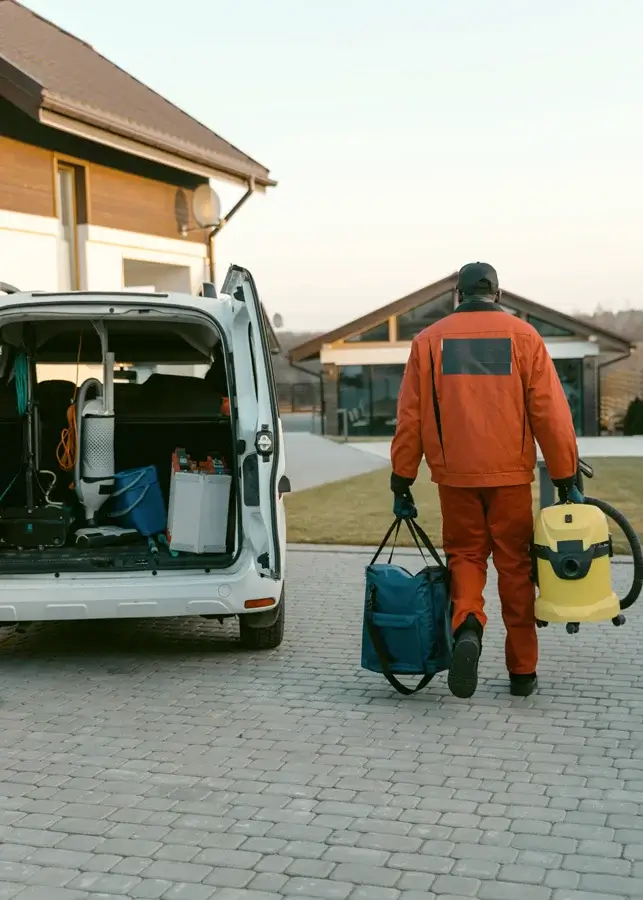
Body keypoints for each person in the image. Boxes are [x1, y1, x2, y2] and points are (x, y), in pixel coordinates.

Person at [390, 262, 581, 699]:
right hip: (510, 477)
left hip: (454, 477)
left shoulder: (428, 341)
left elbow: (410, 418)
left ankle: (468, 626)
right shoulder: (524, 337)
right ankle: (522, 672)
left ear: (457, 295)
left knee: (465, 557)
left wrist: (402, 477)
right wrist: (565, 474)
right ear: (498, 293)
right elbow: (550, 413)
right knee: (515, 567)